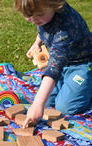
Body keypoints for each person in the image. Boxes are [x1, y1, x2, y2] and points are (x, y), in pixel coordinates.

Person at [14, 0, 92, 128]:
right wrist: (37, 42)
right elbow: (44, 28)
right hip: (63, 63)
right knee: (48, 102)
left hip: (83, 64)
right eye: (29, 16)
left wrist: (37, 105)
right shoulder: (44, 14)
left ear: (55, 4)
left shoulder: (65, 26)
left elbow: (54, 69)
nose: (34, 20)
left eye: (39, 15)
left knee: (65, 107)